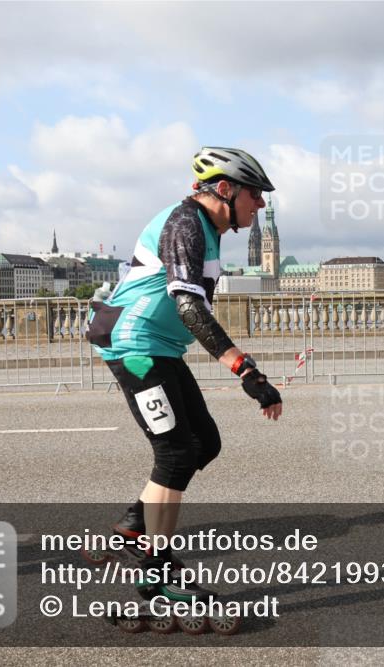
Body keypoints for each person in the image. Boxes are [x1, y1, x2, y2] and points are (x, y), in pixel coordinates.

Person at [86, 147, 283, 601]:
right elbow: (189, 305)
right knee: (174, 454)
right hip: (135, 347)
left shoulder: (209, 231)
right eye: (256, 194)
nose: (262, 204)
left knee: (205, 443)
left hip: (162, 348)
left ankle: (134, 526)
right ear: (225, 189)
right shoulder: (185, 224)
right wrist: (245, 370)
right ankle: (155, 571)